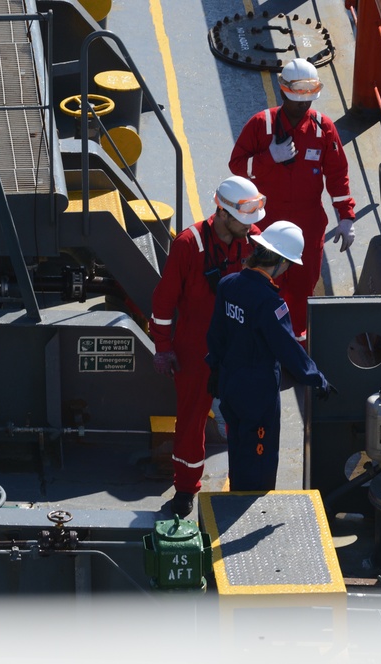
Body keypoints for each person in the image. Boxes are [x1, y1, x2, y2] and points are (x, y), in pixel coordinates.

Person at [150, 176, 265, 517]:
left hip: (240, 347)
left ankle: (247, 481)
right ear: (223, 213)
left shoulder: (254, 242)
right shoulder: (189, 244)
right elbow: (164, 300)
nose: (250, 228)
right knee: (191, 421)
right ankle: (186, 489)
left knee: (248, 416)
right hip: (194, 349)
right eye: (243, 221)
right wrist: (163, 347)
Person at [228, 57, 356, 346]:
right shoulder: (262, 125)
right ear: (283, 91)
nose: (303, 105)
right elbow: (237, 165)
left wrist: (346, 217)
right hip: (265, 221)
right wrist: (267, 160)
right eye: (298, 99)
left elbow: (337, 175)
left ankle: (293, 341)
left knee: (301, 285)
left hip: (307, 224)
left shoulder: (323, 130)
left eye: (308, 99)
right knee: (262, 282)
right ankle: (258, 336)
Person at [205, 220, 336, 492]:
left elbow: (216, 334)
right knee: (259, 461)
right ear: (279, 262)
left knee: (239, 449)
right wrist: (317, 378)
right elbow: (288, 349)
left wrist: (215, 369)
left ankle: (236, 494)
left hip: (230, 384)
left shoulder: (228, 284)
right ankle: (250, 509)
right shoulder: (270, 303)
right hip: (258, 394)